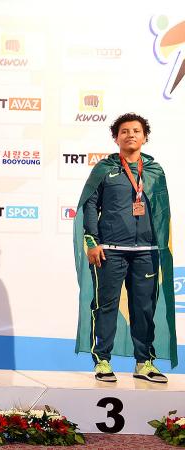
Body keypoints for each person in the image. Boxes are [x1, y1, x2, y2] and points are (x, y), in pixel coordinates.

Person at [74, 113, 177, 383]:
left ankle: (144, 363)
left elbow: (163, 213)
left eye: (136, 130)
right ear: (116, 137)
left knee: (144, 308)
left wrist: (162, 249)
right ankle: (102, 361)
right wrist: (91, 242)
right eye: (124, 131)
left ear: (145, 136)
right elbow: (89, 206)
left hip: (147, 251)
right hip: (110, 249)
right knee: (105, 306)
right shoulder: (103, 169)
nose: (130, 135)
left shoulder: (155, 171)